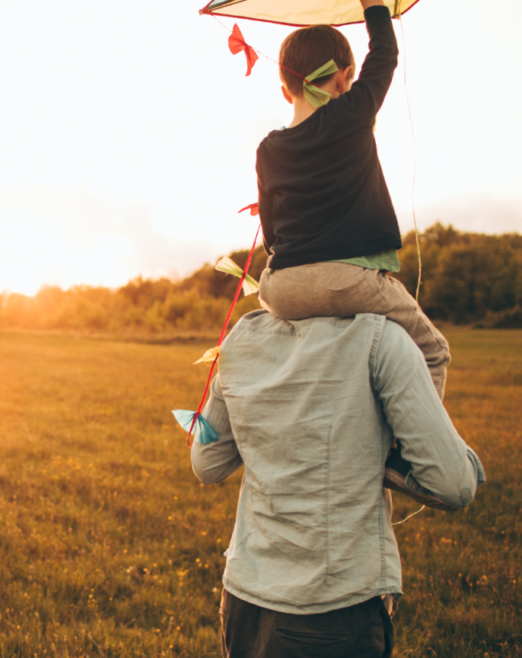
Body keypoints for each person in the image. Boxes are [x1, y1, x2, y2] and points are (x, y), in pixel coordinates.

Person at [189, 311, 486, 657]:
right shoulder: (382, 338)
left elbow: (206, 463)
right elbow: (455, 485)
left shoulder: (241, 337)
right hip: (332, 610)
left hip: (242, 602)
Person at [253, 0, 451, 399]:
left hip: (280, 288)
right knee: (432, 352)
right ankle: (405, 455)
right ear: (345, 79)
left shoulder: (267, 147)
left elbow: (272, 234)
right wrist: (374, 6)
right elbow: (385, 55)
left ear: (284, 88)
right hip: (347, 282)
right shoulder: (351, 115)